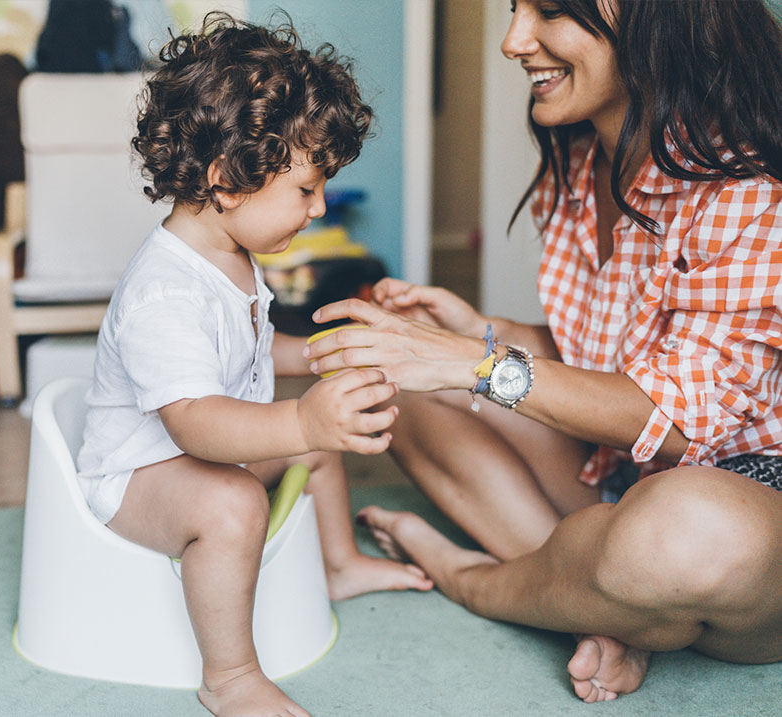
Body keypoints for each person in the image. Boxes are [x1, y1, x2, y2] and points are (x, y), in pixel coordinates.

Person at [304, 0, 782, 704]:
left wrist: (474, 363)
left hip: (740, 509)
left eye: (550, 12)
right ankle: (606, 603)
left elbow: (679, 419)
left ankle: (480, 579)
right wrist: (481, 334)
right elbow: (617, 353)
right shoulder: (580, 161)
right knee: (384, 376)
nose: (512, 42)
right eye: (514, 10)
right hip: (621, 474)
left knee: (689, 527)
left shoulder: (747, 191)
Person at [75, 14, 432, 717]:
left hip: (194, 451)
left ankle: (338, 564)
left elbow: (247, 348)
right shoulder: (167, 290)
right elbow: (197, 424)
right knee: (235, 501)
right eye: (306, 191)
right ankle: (231, 675)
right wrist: (301, 417)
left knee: (316, 451)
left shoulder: (231, 255)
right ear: (227, 181)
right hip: (136, 474)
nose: (319, 207)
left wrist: (317, 357)